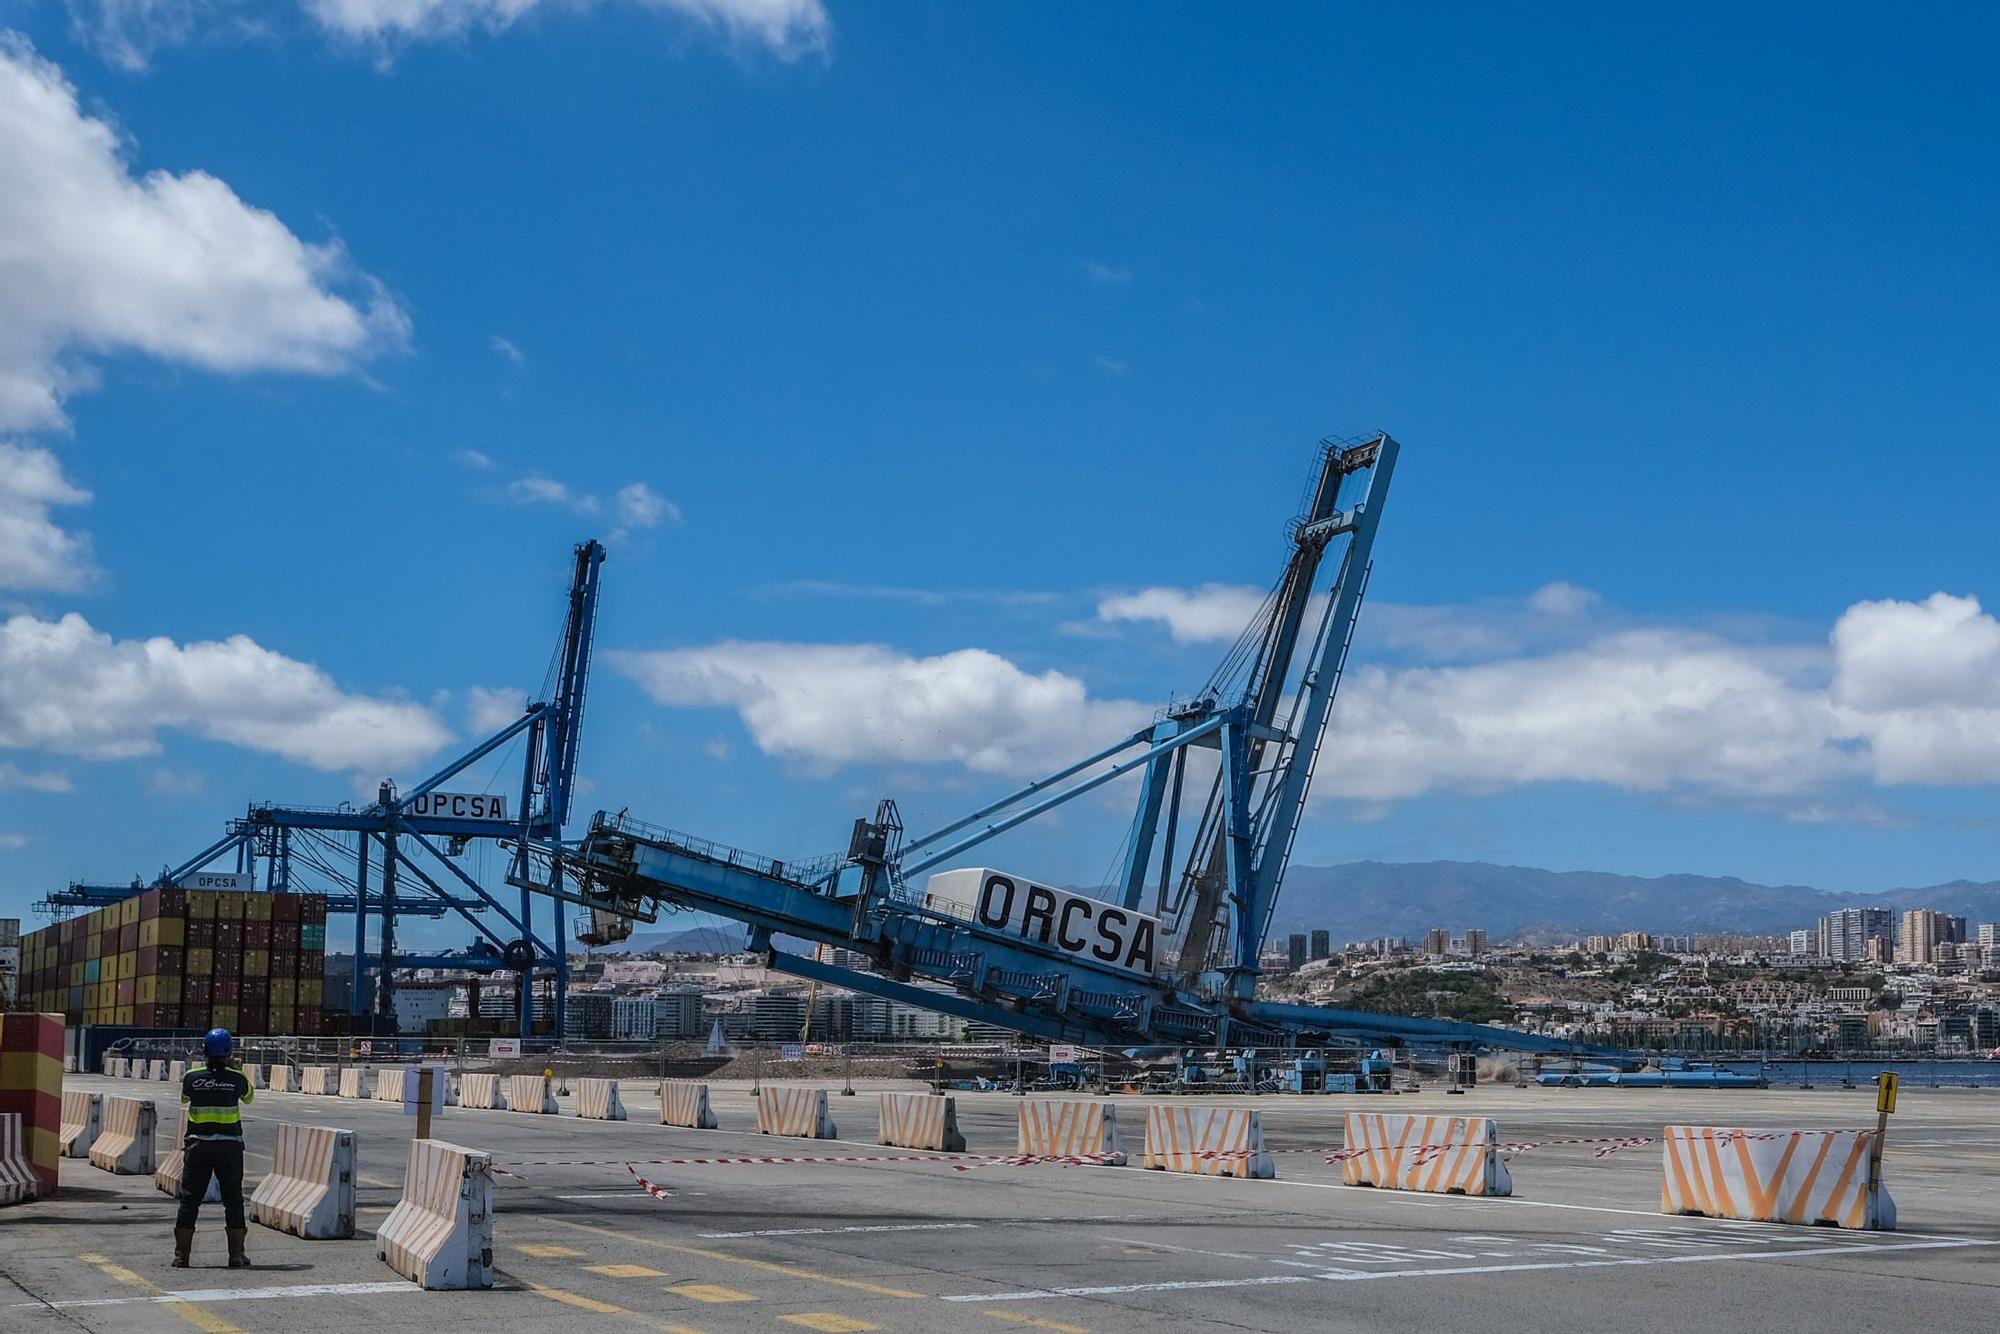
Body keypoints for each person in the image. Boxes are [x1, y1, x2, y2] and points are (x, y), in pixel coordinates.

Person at [172, 1028, 255, 1268]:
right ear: (229, 1051)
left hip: (198, 1145)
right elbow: (249, 1098)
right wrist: (236, 1070)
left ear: (205, 1050)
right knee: (233, 1199)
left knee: (189, 1199)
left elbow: (185, 1098)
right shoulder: (237, 1078)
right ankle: (236, 1255)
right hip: (229, 1147)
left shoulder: (192, 1076)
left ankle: (181, 1256)